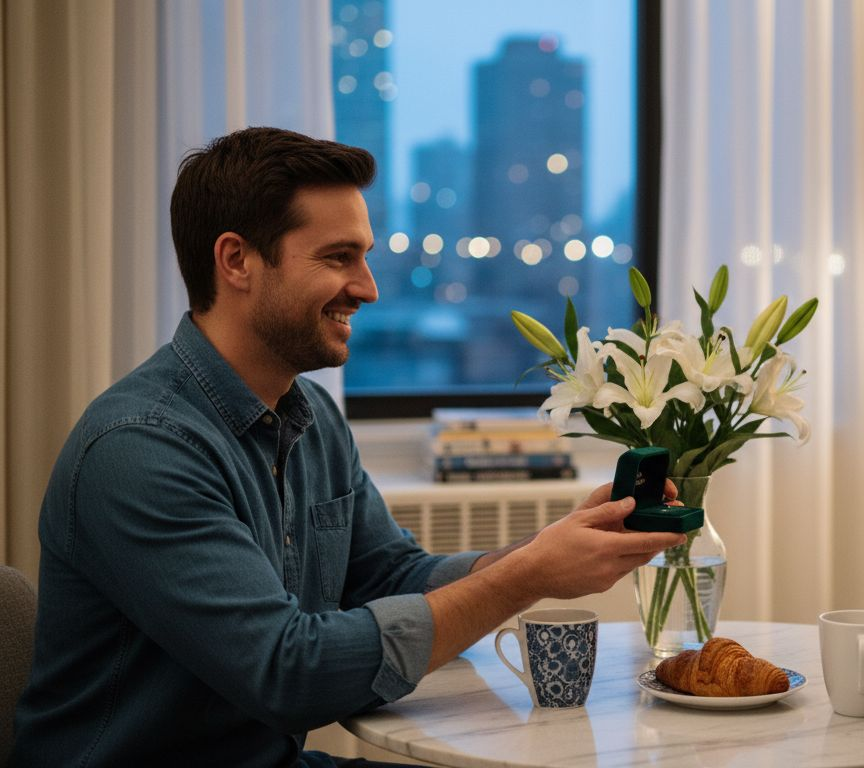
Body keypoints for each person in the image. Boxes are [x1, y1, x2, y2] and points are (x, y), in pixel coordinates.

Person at [9, 127, 685, 768]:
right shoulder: (141, 450)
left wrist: (545, 551)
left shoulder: (312, 419)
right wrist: (529, 577)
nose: (368, 287)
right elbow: (289, 672)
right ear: (237, 260)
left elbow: (390, 577)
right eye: (339, 258)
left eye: (363, 256)